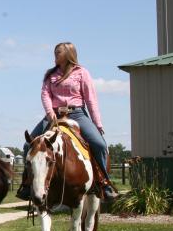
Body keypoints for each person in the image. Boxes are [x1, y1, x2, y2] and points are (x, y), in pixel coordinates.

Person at [18, 42, 118, 200]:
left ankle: (103, 182)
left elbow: (91, 99)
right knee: (27, 145)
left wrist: (97, 123)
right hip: (54, 115)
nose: (55, 55)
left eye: (58, 52)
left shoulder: (82, 72)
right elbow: (45, 95)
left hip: (76, 113)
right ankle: (27, 184)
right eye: (55, 52)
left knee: (99, 144)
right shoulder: (50, 74)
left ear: (68, 54)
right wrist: (50, 113)